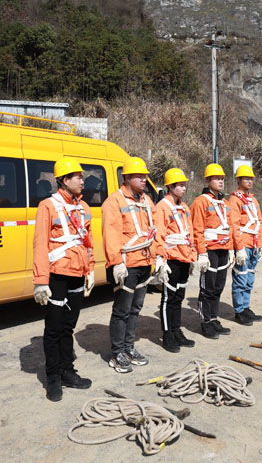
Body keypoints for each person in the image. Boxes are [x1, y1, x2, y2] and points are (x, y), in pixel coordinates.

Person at [32, 157, 95, 402]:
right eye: (77, 176)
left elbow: (87, 242)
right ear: (65, 180)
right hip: (57, 276)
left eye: (81, 176)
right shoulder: (47, 206)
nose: (82, 180)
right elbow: (40, 244)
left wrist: (90, 270)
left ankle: (68, 371)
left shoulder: (84, 207)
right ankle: (53, 378)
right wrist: (40, 281)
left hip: (77, 274)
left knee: (68, 326)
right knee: (54, 329)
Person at [102, 156, 158, 374]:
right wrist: (116, 262)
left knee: (135, 308)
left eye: (145, 176)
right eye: (139, 176)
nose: (144, 179)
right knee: (122, 310)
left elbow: (153, 231)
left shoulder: (145, 200)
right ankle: (117, 352)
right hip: (126, 264)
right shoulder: (114, 202)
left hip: (143, 262)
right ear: (126, 177)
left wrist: (157, 258)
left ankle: (128, 347)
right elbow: (111, 234)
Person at [191, 163, 239, 339]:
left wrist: (232, 249)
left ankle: (213, 318)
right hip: (210, 250)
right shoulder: (200, 202)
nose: (220, 182)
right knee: (208, 287)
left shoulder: (225, 203)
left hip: (223, 249)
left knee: (218, 287)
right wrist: (201, 253)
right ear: (208, 180)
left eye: (222, 179)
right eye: (217, 178)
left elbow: (230, 227)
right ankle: (206, 322)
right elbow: (197, 229)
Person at [153, 168, 198, 352]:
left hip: (184, 257)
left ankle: (176, 330)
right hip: (171, 258)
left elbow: (190, 232)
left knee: (179, 297)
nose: (183, 188)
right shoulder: (162, 207)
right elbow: (159, 234)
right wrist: (160, 260)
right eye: (180, 185)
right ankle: (167, 334)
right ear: (170, 186)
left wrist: (193, 255)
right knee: (168, 298)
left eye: (184, 185)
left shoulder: (184, 207)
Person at [228, 164, 262, 325]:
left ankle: (246, 306)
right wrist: (239, 248)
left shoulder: (253, 199)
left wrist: (261, 243)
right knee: (240, 278)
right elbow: (234, 224)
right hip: (243, 244)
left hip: (254, 244)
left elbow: (259, 222)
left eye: (251, 179)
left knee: (249, 278)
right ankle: (239, 310)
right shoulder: (235, 200)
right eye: (246, 178)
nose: (249, 181)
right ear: (238, 180)